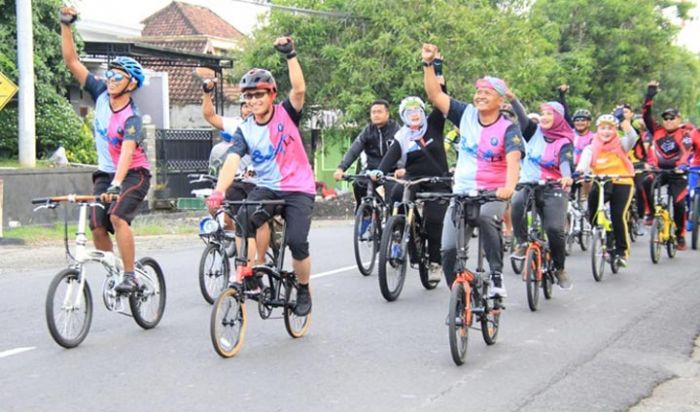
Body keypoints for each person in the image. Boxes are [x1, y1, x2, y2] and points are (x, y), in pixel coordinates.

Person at [206, 36, 315, 316]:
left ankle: (303, 287)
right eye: (249, 96)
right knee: (242, 219)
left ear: (271, 95)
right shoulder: (245, 129)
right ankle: (250, 273)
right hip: (267, 187)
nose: (253, 100)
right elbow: (232, 160)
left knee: (297, 243)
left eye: (259, 94)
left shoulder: (286, 114)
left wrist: (290, 55)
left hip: (299, 189)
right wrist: (219, 191)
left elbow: (300, 89)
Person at [422, 43, 524, 298]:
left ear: (500, 100)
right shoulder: (465, 114)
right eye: (478, 91)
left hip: (493, 193)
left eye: (487, 92)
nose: (480, 96)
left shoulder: (507, 128)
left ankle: (497, 275)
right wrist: (427, 64)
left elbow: (513, 161)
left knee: (488, 218)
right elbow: (435, 96)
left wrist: (508, 188)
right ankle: (464, 296)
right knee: (447, 252)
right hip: (462, 192)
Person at [60, 6, 151, 293]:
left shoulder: (132, 118)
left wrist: (116, 183)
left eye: (118, 77)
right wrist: (66, 25)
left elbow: (126, 153)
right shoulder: (99, 94)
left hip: (134, 174)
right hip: (105, 173)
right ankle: (113, 268)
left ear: (131, 84)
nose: (110, 80)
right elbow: (72, 61)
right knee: (97, 225)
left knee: (117, 216)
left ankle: (129, 275)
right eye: (110, 75)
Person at [372, 94, 452, 283]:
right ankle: (402, 229)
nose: (414, 115)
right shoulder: (402, 136)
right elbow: (390, 158)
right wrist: (378, 172)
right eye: (409, 112)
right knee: (397, 195)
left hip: (438, 180)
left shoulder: (434, 124)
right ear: (403, 116)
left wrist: (437, 71)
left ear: (423, 113)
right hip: (414, 179)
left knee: (434, 220)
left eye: (417, 111)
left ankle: (434, 262)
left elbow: (441, 98)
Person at [506, 89, 574, 290]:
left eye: (550, 114)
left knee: (554, 229)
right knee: (516, 203)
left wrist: (566, 176)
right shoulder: (532, 132)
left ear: (559, 118)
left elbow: (565, 161)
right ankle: (522, 242)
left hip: (554, 186)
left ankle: (559, 268)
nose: (544, 118)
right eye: (543, 114)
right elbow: (522, 116)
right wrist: (513, 99)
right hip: (528, 184)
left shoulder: (564, 141)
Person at [641, 81, 700, 250]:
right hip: (659, 171)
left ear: (678, 119)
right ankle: (651, 213)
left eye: (671, 118)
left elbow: (687, 150)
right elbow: (645, 114)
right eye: (665, 118)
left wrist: (682, 166)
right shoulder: (657, 130)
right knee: (645, 182)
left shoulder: (685, 134)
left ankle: (680, 234)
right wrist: (650, 94)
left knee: (679, 204)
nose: (668, 121)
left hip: (678, 174)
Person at [576, 114, 639, 267]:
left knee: (618, 215)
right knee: (592, 212)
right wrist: (580, 170)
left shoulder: (621, 144)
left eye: (610, 128)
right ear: (597, 130)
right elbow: (584, 163)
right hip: (602, 181)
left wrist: (625, 121)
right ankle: (607, 234)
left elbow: (632, 137)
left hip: (622, 181)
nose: (606, 132)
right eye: (603, 128)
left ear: (615, 130)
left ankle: (621, 252)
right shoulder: (591, 147)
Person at [202, 87, 259, 233]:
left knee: (258, 220)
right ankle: (234, 239)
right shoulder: (235, 124)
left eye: (251, 106)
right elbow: (210, 116)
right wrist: (207, 93)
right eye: (245, 106)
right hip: (236, 181)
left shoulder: (267, 126)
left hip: (259, 181)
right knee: (217, 208)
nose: (248, 110)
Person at [334, 99, 401, 210]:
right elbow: (354, 150)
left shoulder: (397, 130)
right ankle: (366, 212)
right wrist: (341, 168)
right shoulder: (368, 131)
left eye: (379, 112)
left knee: (393, 199)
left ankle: (390, 218)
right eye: (373, 112)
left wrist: (402, 169)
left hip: (392, 172)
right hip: (371, 171)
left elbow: (403, 152)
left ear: (387, 114)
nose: (376, 115)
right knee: (358, 183)